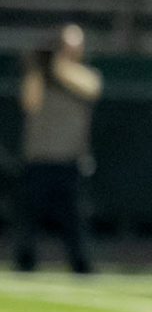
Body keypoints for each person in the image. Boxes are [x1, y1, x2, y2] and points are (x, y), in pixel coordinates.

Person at [14, 25, 101, 273]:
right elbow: (29, 102)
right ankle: (24, 264)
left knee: (75, 221)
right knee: (28, 220)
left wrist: (55, 64)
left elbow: (90, 88)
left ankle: (81, 266)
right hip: (39, 160)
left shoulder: (85, 75)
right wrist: (37, 67)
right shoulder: (40, 77)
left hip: (69, 161)